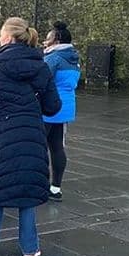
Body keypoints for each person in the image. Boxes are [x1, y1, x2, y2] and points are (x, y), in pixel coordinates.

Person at [0, 17, 61, 256]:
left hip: (0, 134)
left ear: (10, 37)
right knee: (26, 189)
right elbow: (53, 107)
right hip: (31, 134)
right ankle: (30, 248)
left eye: (1, 34)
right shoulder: (41, 67)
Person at [42, 21, 81, 201]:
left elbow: (42, 81)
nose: (45, 40)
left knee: (39, 146)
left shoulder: (53, 58)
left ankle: (39, 184)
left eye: (48, 37)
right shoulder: (73, 57)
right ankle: (56, 187)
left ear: (56, 39)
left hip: (48, 107)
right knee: (57, 147)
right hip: (65, 107)